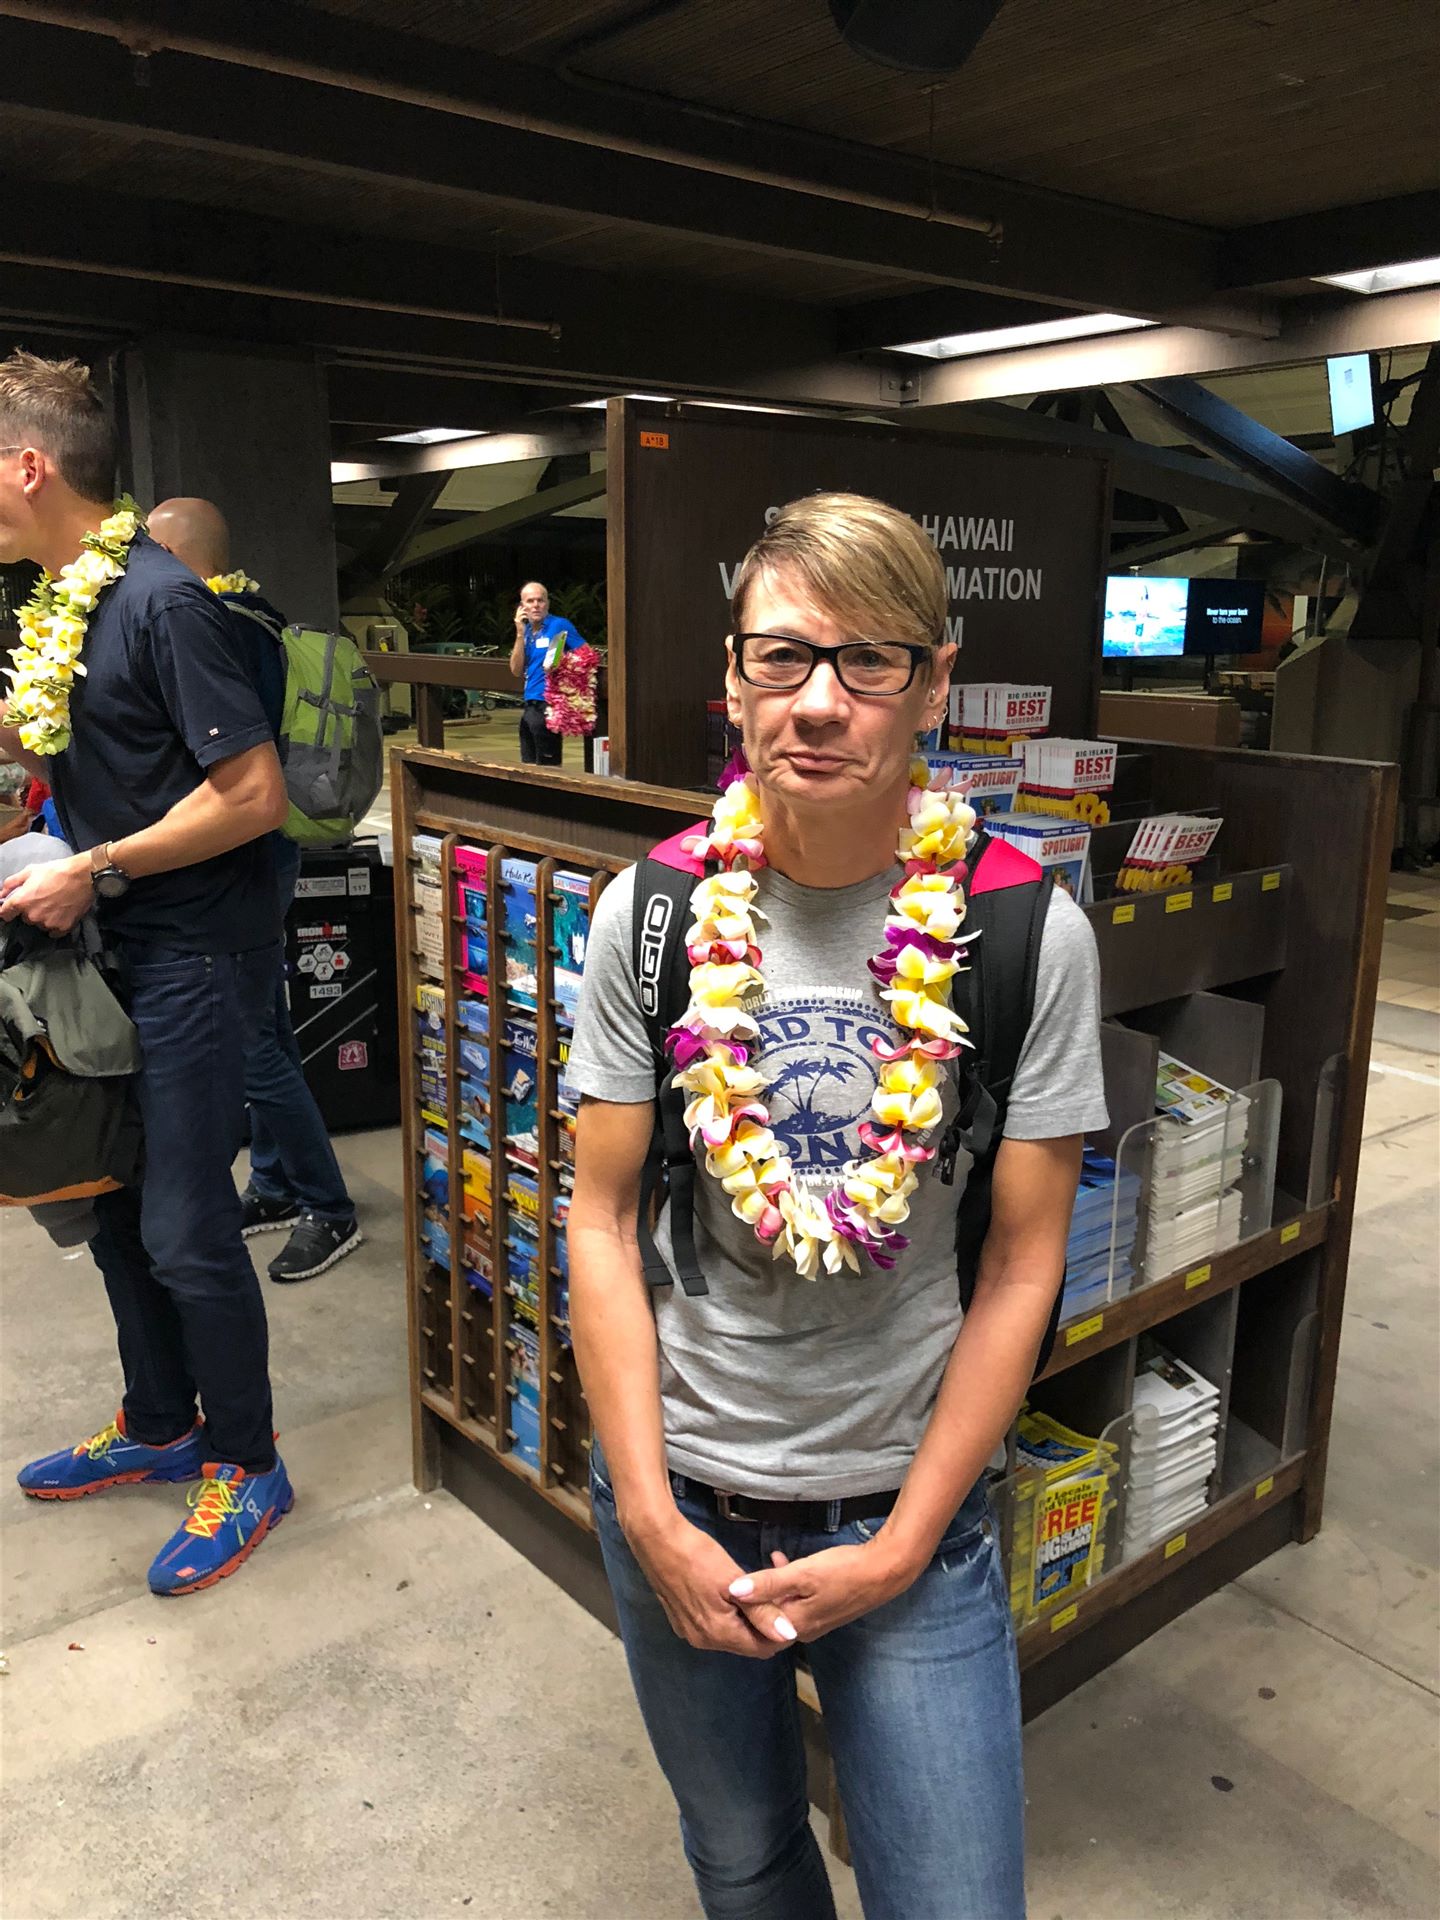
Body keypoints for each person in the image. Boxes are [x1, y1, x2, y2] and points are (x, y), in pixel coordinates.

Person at [565, 493, 1108, 1919]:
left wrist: (909, 1542)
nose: (817, 702)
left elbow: (1024, 1263)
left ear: (934, 683)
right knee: (743, 1857)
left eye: (869, 661)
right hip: (683, 1495)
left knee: (954, 1898)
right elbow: (600, 1223)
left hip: (909, 1516)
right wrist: (648, 1516)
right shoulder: (652, 916)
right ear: (732, 676)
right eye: (783, 656)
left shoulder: (1022, 931)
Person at [0, 351, 294, 1596]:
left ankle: (248, 1460)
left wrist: (96, 866)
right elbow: (73, 749)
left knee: (183, 1223)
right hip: (115, 949)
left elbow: (253, 794)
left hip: (195, 954)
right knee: (114, 1205)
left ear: (28, 467)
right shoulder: (64, 603)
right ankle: (163, 1421)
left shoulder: (162, 603)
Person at [148, 496, 362, 1282]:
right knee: (268, 1027)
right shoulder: (256, 620)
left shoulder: (216, 628)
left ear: (176, 556)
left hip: (239, 862)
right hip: (264, 856)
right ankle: (274, 1184)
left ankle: (330, 1208)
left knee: (251, 1046)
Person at [507, 579, 583, 765]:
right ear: (522, 606)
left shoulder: (559, 625)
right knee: (528, 765)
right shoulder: (526, 631)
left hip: (549, 704)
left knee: (549, 766)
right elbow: (516, 670)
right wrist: (519, 633)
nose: (536, 605)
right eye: (530, 601)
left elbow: (586, 655)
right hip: (530, 703)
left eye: (540, 600)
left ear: (547, 603)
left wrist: (562, 664)